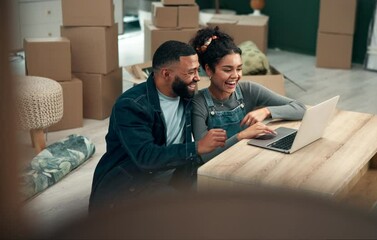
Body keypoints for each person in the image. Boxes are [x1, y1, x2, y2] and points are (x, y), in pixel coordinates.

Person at [89, 40, 227, 212]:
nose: (197, 77)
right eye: (190, 72)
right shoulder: (131, 105)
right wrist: (196, 147)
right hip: (130, 185)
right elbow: (146, 157)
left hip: (172, 176)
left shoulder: (185, 93)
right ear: (166, 74)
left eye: (196, 70)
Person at [190, 27, 307, 162]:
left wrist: (267, 111)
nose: (235, 76)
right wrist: (241, 136)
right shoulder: (198, 103)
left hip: (246, 160)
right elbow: (205, 155)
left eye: (239, 69)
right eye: (227, 70)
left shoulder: (248, 90)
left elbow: (301, 108)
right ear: (209, 70)